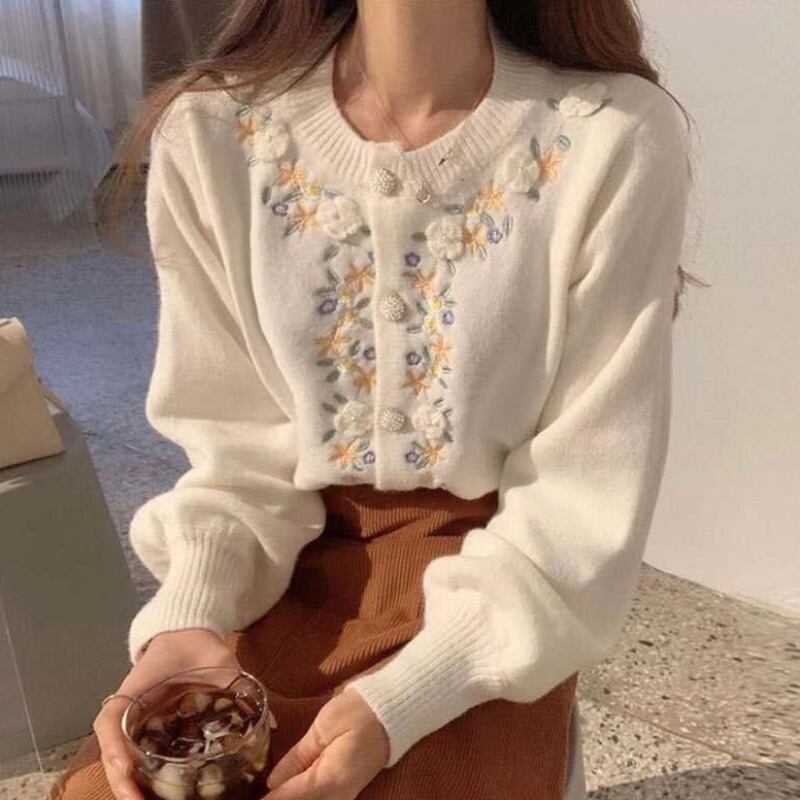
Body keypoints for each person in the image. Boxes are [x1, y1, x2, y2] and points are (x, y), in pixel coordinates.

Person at [53, 1, 696, 798]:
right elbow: (236, 455)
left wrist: (404, 701)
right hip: (283, 575)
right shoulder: (211, 134)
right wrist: (187, 618)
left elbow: (582, 503)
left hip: (500, 591)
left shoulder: (613, 137)